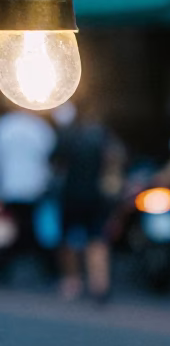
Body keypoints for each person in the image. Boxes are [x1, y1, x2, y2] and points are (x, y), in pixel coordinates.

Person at [51, 101, 123, 301]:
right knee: (97, 238)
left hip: (71, 194)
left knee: (68, 239)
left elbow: (55, 162)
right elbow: (116, 163)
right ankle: (99, 284)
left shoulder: (69, 135)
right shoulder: (105, 138)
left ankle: (72, 281)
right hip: (97, 196)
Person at [0, 108, 56, 271]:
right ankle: (43, 266)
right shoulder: (39, 126)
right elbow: (50, 153)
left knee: (11, 227)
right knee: (35, 226)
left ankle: (6, 265)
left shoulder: (6, 125)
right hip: (35, 186)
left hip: (11, 186)